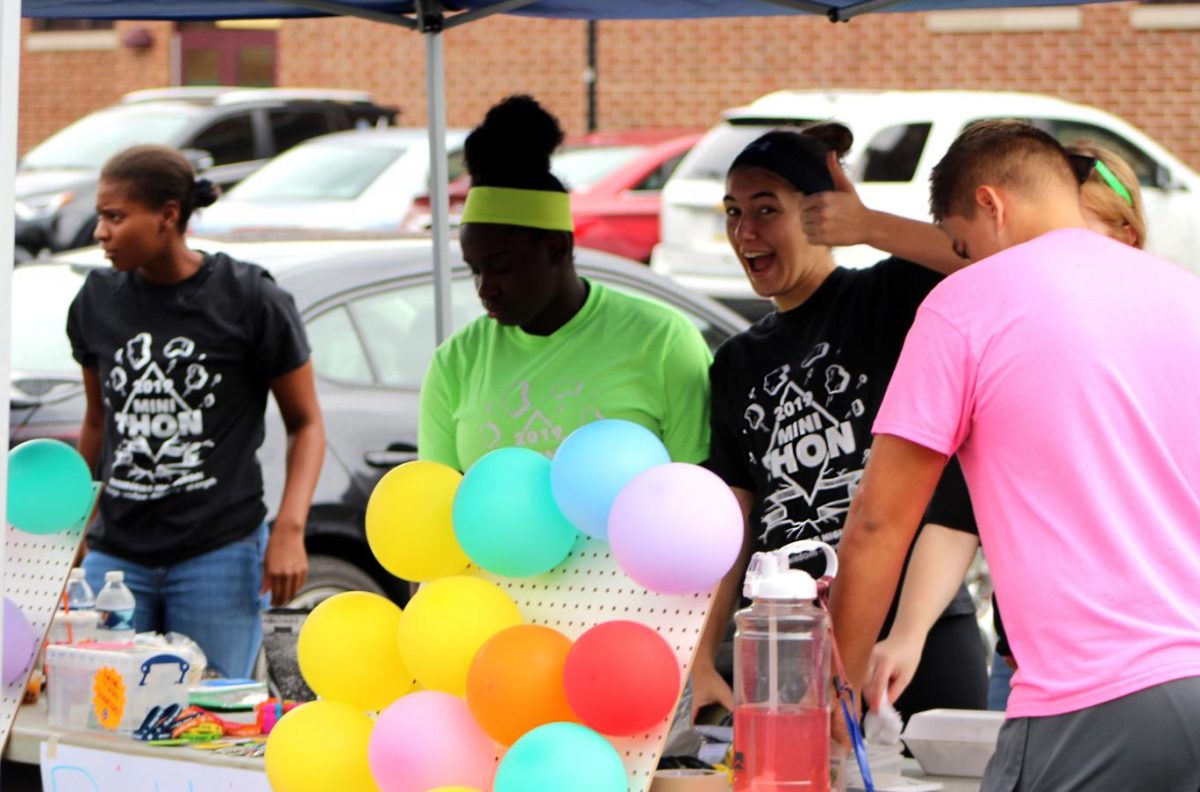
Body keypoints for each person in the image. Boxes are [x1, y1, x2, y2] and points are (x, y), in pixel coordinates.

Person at [830, 120, 1200, 791]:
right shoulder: (1185, 295)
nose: (965, 263)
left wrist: (833, 685)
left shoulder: (965, 304)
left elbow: (879, 523)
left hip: (1090, 697)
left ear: (992, 205)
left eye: (963, 245)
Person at [695, 124, 988, 724]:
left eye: (765, 209)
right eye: (732, 212)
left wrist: (870, 225)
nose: (744, 231)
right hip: (786, 640)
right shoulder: (735, 361)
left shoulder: (889, 296)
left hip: (910, 634)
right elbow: (734, 519)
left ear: (818, 216)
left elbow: (989, 262)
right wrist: (701, 656)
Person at [855, 141, 1149, 714]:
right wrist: (909, 632)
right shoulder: (1010, 342)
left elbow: (876, 519)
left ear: (1125, 240)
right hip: (1026, 668)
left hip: (1125, 676)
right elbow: (955, 513)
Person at [67, 144, 325, 679]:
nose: (100, 232)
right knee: (107, 719)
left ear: (168, 215)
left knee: (211, 724)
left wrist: (290, 529)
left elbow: (306, 423)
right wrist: (73, 532)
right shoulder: (96, 301)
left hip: (218, 553)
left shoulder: (249, 298)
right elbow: (97, 422)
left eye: (115, 216)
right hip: (118, 558)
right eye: (100, 216)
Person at [418, 95, 712, 472]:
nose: (485, 288)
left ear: (557, 248)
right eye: (475, 269)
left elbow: (697, 491)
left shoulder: (662, 341)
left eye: (500, 266)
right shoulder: (455, 363)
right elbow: (440, 502)